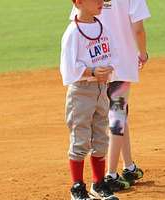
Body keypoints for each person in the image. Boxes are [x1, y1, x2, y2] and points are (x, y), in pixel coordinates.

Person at [70, 0, 151, 192]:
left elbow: (76, 21)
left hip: (96, 62)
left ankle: (129, 166)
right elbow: (138, 29)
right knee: (118, 115)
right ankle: (111, 174)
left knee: (119, 114)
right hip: (121, 62)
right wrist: (142, 54)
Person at [60, 0, 121, 199]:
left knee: (101, 138)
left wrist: (108, 68)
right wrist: (93, 71)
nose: (101, 2)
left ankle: (99, 183)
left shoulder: (103, 27)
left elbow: (112, 55)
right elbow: (68, 68)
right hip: (81, 91)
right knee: (80, 138)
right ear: (79, 2)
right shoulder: (73, 32)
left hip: (101, 89)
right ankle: (77, 187)